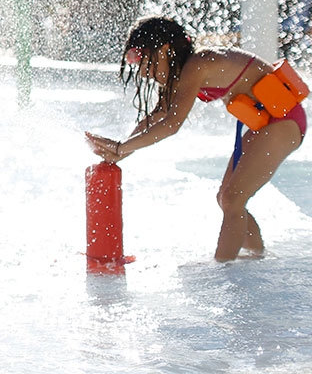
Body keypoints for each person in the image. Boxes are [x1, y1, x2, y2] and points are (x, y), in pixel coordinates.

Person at [86, 15, 306, 262]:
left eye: (140, 57)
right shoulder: (184, 71)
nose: (141, 69)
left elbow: (171, 125)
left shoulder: (199, 64)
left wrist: (122, 147)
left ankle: (225, 274)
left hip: (284, 121)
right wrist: (121, 150)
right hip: (267, 124)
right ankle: (257, 260)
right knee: (227, 199)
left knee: (233, 199)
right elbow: (158, 115)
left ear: (164, 49)